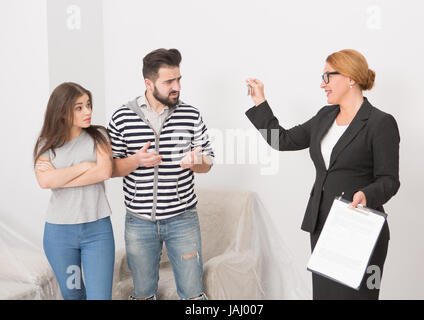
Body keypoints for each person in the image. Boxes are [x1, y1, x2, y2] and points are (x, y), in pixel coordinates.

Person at [245, 49, 400, 300]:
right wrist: (260, 103)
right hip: (323, 226)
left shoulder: (380, 123)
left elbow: (389, 180)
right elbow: (281, 139)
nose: (322, 84)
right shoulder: (324, 116)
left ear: (350, 78)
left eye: (327, 77)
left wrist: (367, 194)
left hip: (359, 227)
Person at [107, 48, 214, 300]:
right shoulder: (122, 117)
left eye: (178, 79)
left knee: (192, 294)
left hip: (183, 219)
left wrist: (196, 162)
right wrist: (136, 160)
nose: (176, 86)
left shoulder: (191, 114)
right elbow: (110, 168)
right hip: (139, 222)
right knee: (143, 293)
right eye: (168, 82)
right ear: (149, 83)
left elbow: (208, 160)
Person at [33, 82, 115, 300]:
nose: (87, 111)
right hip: (60, 236)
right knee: (73, 295)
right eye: (79, 107)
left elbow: (104, 172)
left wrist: (60, 178)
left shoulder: (99, 136)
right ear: (61, 111)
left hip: (97, 232)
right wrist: (85, 167)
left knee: (100, 297)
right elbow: (44, 181)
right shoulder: (46, 144)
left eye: (88, 105)